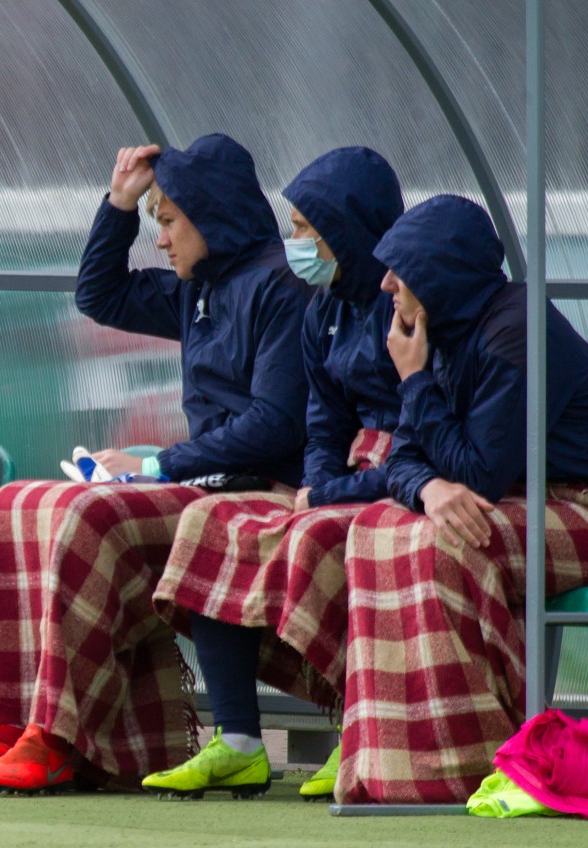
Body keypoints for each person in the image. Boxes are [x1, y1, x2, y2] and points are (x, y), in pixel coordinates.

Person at [0, 134, 312, 795]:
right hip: (205, 483)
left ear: (211, 217)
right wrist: (118, 205)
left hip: (264, 489)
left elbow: (275, 424)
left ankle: (58, 735)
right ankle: (2, 726)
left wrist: (161, 464)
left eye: (169, 221)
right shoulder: (196, 288)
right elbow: (100, 295)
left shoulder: (280, 287)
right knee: (10, 505)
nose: (161, 240)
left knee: (91, 518)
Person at [339, 194, 588, 803]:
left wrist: (414, 381)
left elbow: (480, 473)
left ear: (439, 271)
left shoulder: (516, 330)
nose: (385, 284)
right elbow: (406, 458)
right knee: (372, 528)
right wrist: (429, 487)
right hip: (531, 494)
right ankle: (399, 759)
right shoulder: (442, 331)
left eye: (400, 270)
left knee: (452, 541)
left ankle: (480, 752)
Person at [146, 147, 404, 800]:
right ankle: (237, 739)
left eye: (305, 228)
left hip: (401, 473)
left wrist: (329, 492)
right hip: (341, 474)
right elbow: (322, 421)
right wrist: (318, 486)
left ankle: (363, 727)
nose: (295, 243)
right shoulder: (326, 308)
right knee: (209, 521)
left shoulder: (401, 305)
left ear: (346, 228)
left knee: (329, 537)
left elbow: (418, 424)